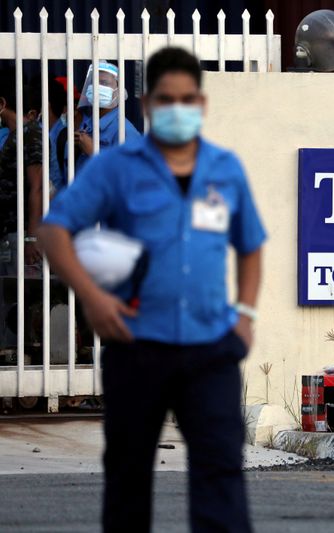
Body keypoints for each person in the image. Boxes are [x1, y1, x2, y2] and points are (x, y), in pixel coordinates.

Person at [38, 47, 266, 532]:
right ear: (147, 103)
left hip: (210, 349)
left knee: (222, 472)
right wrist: (93, 299)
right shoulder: (114, 166)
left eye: (188, 99)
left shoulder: (224, 170)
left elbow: (251, 244)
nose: (178, 109)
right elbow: (54, 231)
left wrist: (244, 316)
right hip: (136, 344)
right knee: (127, 477)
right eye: (167, 99)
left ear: (201, 104)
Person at [0, 69, 44, 275]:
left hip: (22, 234)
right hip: (11, 234)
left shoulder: (31, 132)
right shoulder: (15, 135)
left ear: (2, 104)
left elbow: (39, 186)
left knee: (21, 300)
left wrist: (31, 238)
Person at [74, 61, 140, 172]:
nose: (97, 87)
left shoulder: (125, 131)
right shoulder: (87, 126)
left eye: (104, 83)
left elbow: (129, 176)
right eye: (93, 82)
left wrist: (94, 152)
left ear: (118, 92)